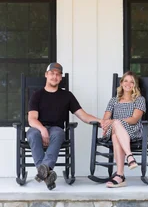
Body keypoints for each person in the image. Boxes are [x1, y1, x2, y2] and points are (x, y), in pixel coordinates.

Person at [27, 62, 102, 190]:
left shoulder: (67, 96)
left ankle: (43, 170)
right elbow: (32, 119)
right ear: (46, 75)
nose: (54, 77)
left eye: (58, 74)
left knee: (59, 133)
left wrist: (101, 122)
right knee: (33, 134)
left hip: (56, 129)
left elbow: (83, 115)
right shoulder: (37, 95)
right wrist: (43, 129)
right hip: (38, 128)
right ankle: (47, 172)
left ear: (61, 78)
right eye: (52, 73)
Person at [101, 71, 146, 188]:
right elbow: (105, 119)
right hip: (113, 128)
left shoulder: (139, 99)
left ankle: (120, 175)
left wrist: (116, 121)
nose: (128, 84)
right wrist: (108, 124)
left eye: (132, 82)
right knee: (115, 127)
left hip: (132, 130)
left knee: (116, 135)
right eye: (126, 81)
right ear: (121, 83)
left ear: (135, 85)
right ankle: (129, 157)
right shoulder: (113, 100)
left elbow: (134, 119)